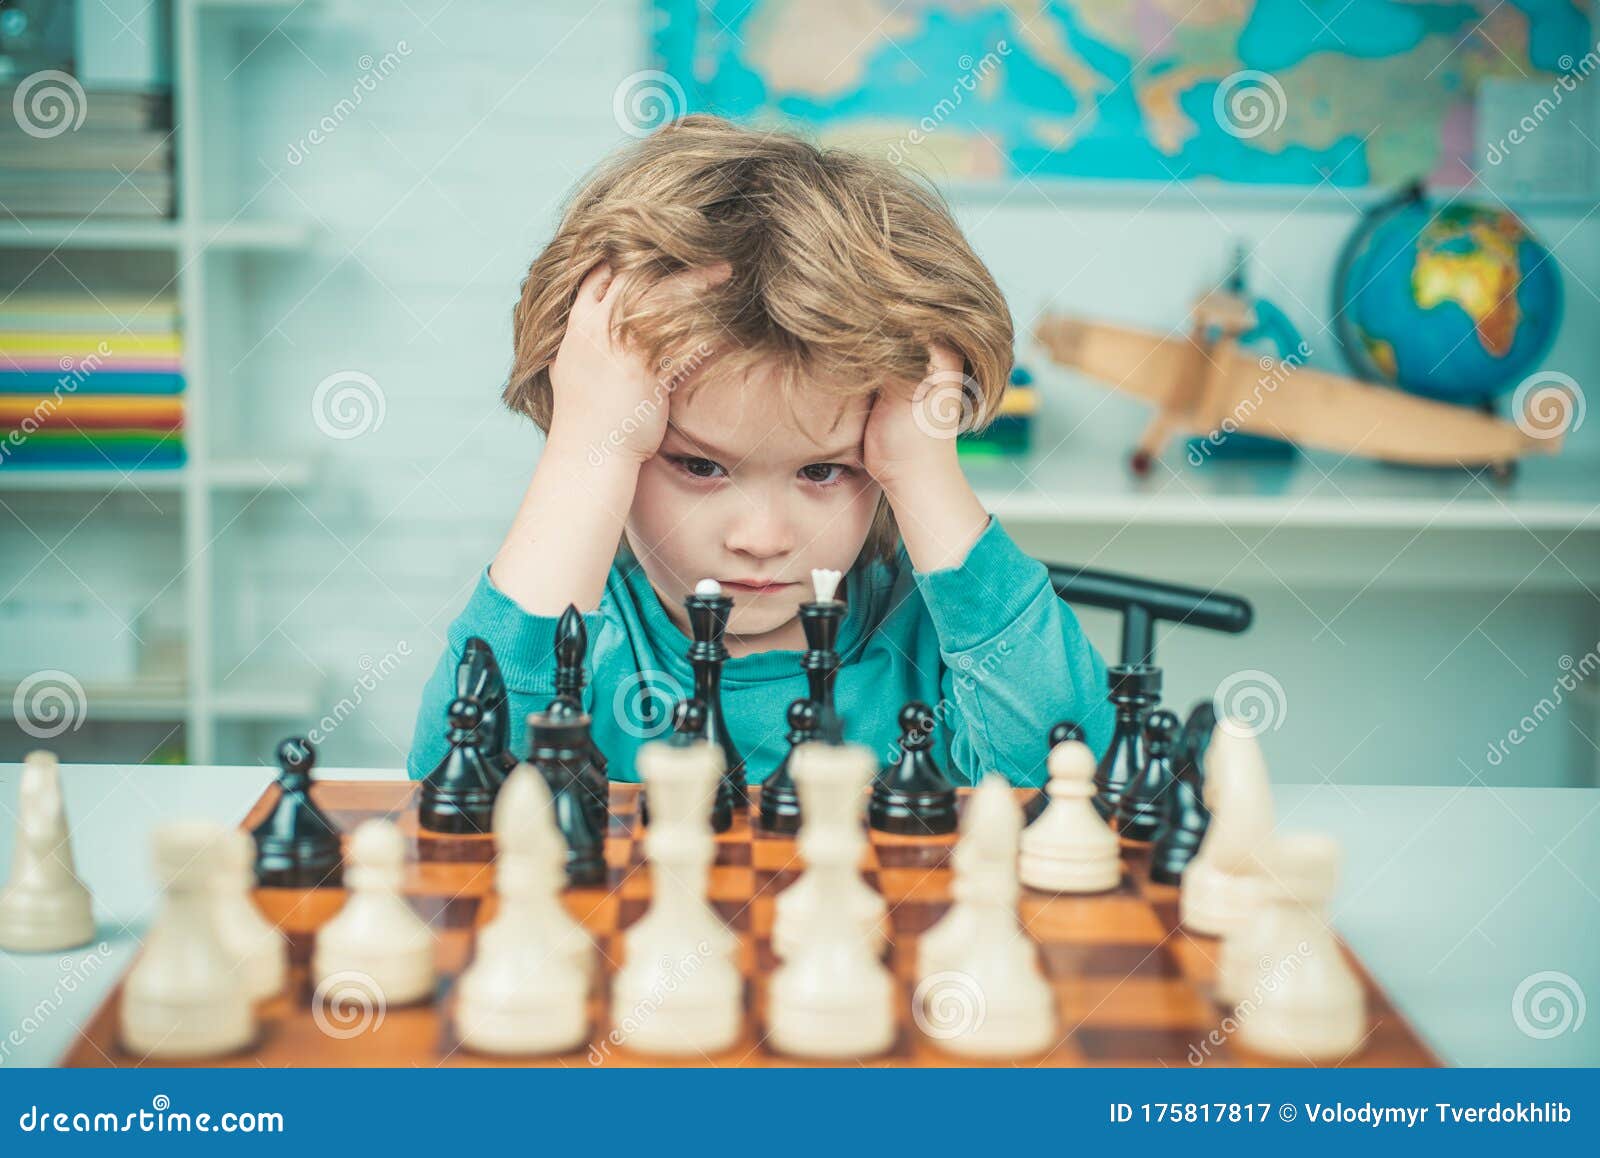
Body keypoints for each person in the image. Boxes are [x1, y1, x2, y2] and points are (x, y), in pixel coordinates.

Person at [406, 115, 1113, 785]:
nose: (762, 539)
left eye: (824, 470)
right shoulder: (590, 637)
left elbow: (1065, 775)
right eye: (701, 466)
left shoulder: (923, 643)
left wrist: (925, 470)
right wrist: (586, 446)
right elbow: (455, 792)